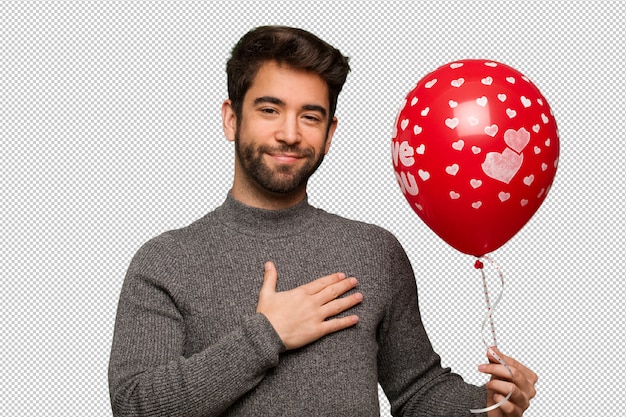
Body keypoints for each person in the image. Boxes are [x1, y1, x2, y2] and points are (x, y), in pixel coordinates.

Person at [108, 25, 537, 416]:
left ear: (330, 133)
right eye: (269, 110)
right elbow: (134, 406)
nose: (290, 134)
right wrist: (266, 335)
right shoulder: (165, 260)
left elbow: (417, 390)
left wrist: (485, 405)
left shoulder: (374, 251)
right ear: (231, 119)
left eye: (310, 116)